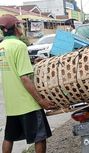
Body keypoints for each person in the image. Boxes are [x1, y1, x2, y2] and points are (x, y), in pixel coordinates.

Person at [0, 14, 56, 153]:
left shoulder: (2, 47)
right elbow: (24, 78)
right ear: (15, 27)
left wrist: (33, 64)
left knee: (9, 137)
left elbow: (12, 69)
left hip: (12, 104)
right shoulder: (19, 46)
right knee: (40, 137)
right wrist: (41, 101)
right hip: (27, 104)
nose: (21, 27)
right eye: (19, 24)